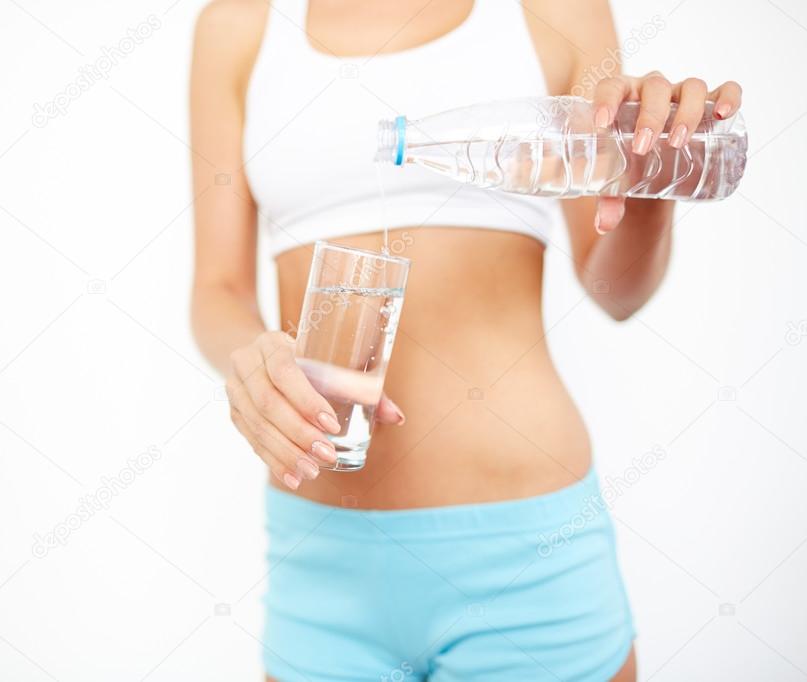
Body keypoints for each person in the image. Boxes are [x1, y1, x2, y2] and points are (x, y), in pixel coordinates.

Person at [188, 1, 742, 679]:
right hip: (320, 566)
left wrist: (650, 181)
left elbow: (615, 294)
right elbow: (216, 290)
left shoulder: (554, 11)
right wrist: (251, 360)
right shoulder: (238, 25)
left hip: (527, 559)